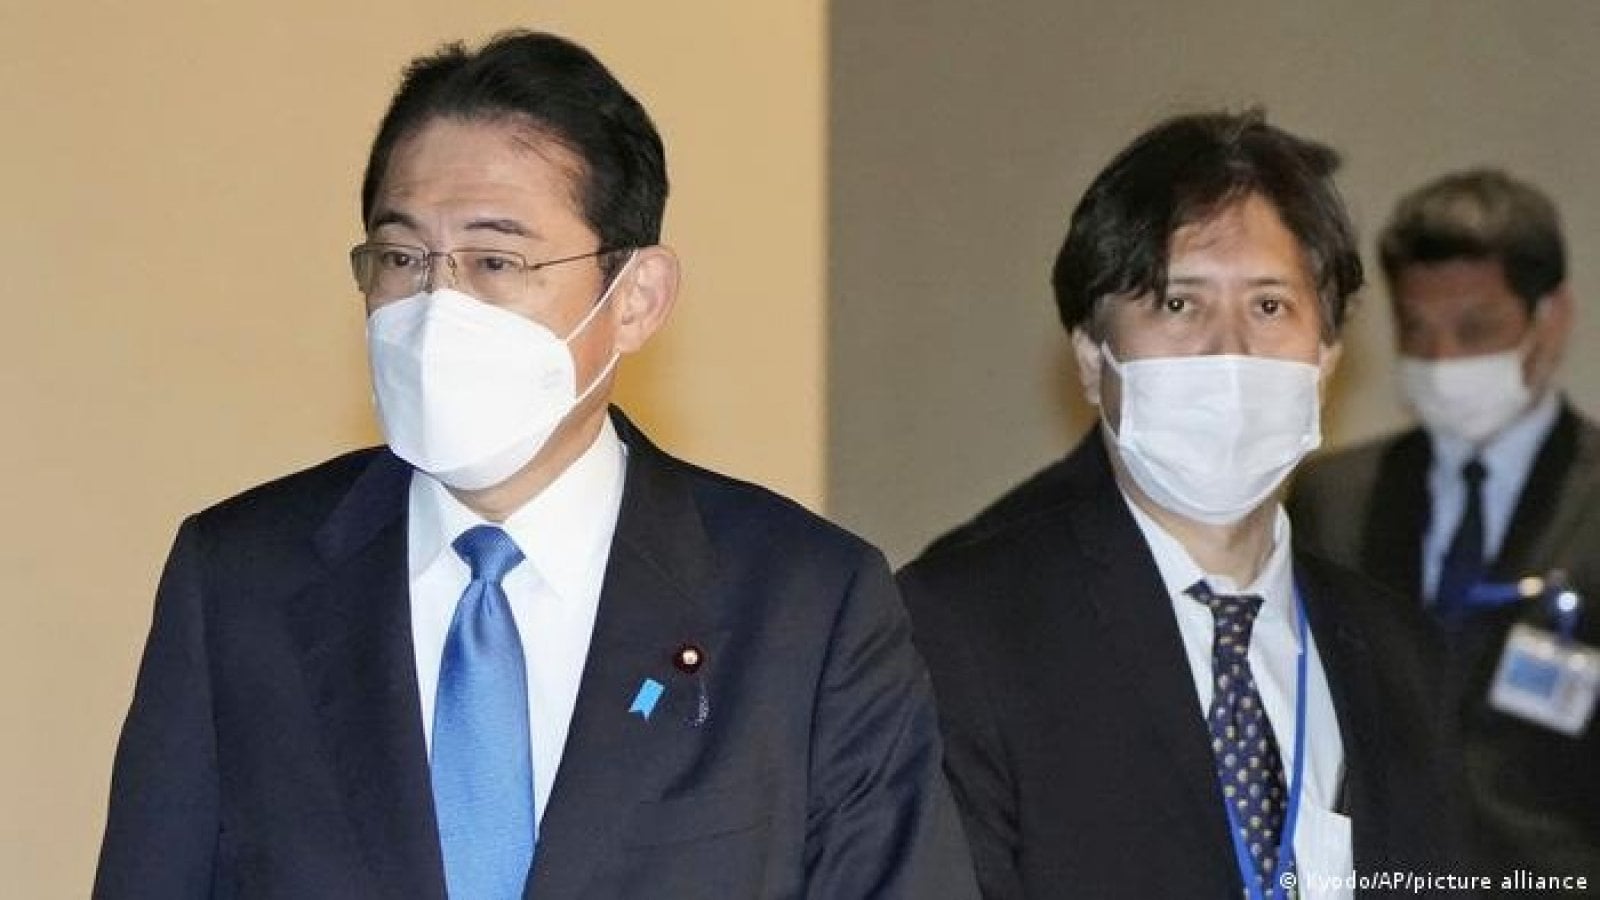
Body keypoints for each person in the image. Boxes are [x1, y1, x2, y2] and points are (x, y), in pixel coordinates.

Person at [94, 31, 977, 900]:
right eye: (401, 258)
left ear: (636, 299)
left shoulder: (804, 604)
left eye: (496, 261)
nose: (437, 304)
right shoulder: (239, 580)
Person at [900, 111, 1459, 899]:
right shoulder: (966, 630)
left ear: (1328, 358)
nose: (1229, 350)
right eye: (1179, 304)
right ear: (1092, 359)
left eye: (1269, 307)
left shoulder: (1400, 654)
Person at [1291, 169, 1599, 881]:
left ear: (1551, 318)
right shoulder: (1332, 500)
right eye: (1416, 332)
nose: (1442, 361)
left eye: (1475, 330)